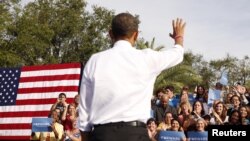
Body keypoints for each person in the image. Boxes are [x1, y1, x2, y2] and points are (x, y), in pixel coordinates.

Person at [78, 12, 186, 141]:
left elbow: (84, 106)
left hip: (102, 135)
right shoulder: (147, 58)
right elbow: (177, 54)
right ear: (136, 35)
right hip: (136, 135)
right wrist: (178, 38)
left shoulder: (95, 61)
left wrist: (86, 138)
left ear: (110, 34)